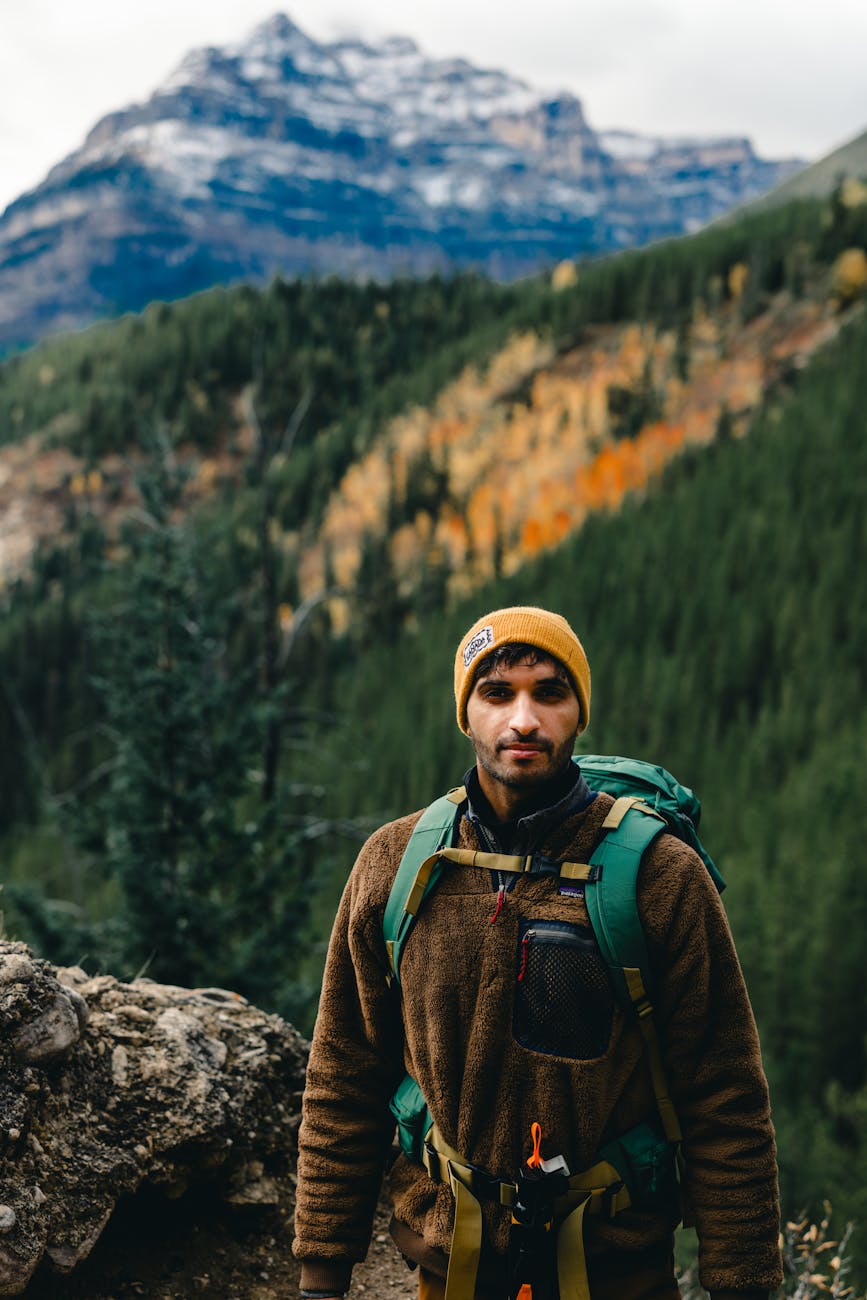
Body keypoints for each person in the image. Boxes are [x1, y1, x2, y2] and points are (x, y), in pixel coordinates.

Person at [292, 606, 782, 1300]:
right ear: (465, 713)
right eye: (496, 693)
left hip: (616, 1274)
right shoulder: (395, 865)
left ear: (578, 711)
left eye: (548, 693)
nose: (522, 720)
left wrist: (743, 1284)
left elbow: (723, 1093)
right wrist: (321, 1274)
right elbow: (343, 1074)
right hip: (445, 1270)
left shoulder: (660, 877)